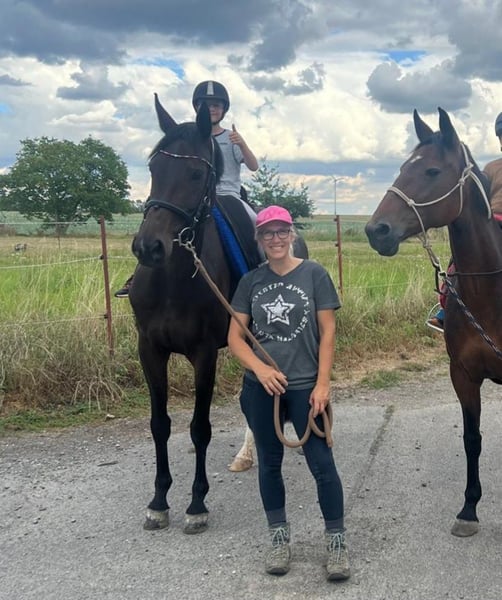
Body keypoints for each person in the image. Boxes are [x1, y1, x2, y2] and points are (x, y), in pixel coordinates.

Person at [227, 205, 349, 581]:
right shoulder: (250, 282)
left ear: (292, 234)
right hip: (262, 389)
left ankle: (337, 543)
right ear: (260, 239)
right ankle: (279, 539)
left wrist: (323, 383)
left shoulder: (315, 274)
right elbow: (235, 338)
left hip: (306, 388)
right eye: (268, 233)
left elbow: (328, 332)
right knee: (269, 463)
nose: (276, 239)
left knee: (322, 466)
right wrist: (260, 369)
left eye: (282, 231)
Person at [114, 80, 259, 297]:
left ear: (224, 109)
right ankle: (139, 273)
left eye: (216, 105)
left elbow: (253, 166)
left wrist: (242, 144)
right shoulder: (189, 138)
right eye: (205, 105)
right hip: (197, 195)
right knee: (161, 224)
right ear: (197, 107)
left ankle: (261, 275)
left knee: (256, 225)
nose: (211, 109)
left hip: (228, 195)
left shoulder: (231, 138)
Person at [427, 112, 502, 331]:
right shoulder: (491, 168)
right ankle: (446, 308)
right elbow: (480, 197)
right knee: (458, 262)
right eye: (501, 136)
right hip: (491, 222)